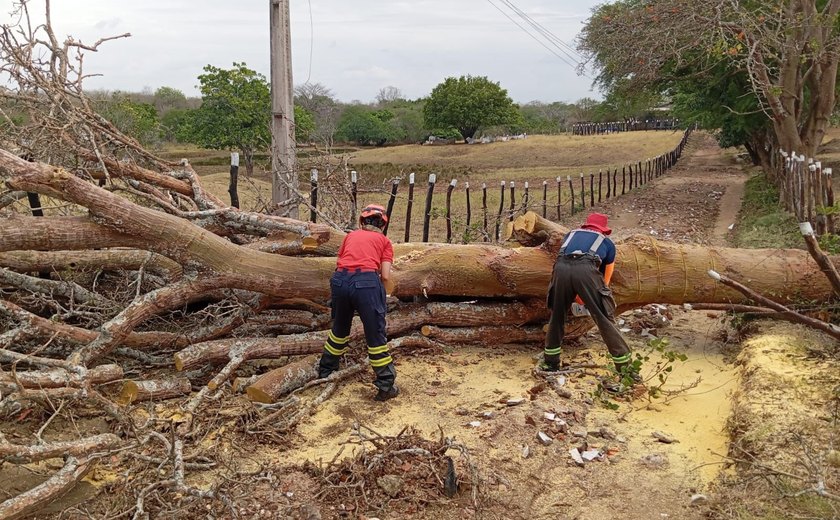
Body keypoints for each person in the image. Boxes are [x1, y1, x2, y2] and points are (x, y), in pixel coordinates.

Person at [543, 213, 638, 391]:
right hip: (585, 270)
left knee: (557, 314)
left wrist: (577, 295)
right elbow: (605, 278)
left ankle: (551, 363)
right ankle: (627, 371)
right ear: (604, 229)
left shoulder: (570, 235)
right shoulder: (607, 243)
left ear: (586, 226)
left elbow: (567, 264)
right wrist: (590, 299)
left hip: (560, 269)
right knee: (604, 317)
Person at [317, 204, 399, 401]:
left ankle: (325, 372)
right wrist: (386, 294)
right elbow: (385, 275)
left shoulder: (350, 236)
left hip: (340, 281)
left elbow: (341, 261)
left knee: (339, 330)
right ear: (383, 224)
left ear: (363, 221)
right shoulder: (384, 241)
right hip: (366, 284)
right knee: (375, 334)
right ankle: (385, 385)